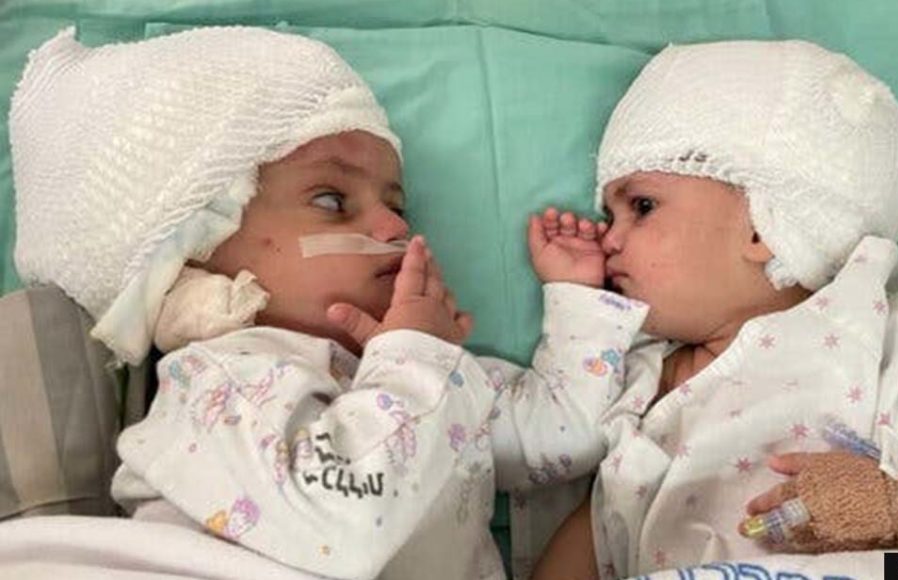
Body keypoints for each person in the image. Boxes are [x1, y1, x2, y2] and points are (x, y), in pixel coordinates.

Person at [9, 26, 649, 579]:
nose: (397, 231)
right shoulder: (220, 383)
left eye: (398, 207)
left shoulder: (432, 372)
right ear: (195, 246)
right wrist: (416, 356)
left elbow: (563, 435)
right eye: (331, 201)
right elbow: (346, 522)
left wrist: (576, 299)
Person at [525, 40, 898, 579]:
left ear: (765, 224)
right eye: (609, 215)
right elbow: (603, 521)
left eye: (642, 206)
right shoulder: (638, 379)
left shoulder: (892, 331)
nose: (610, 237)